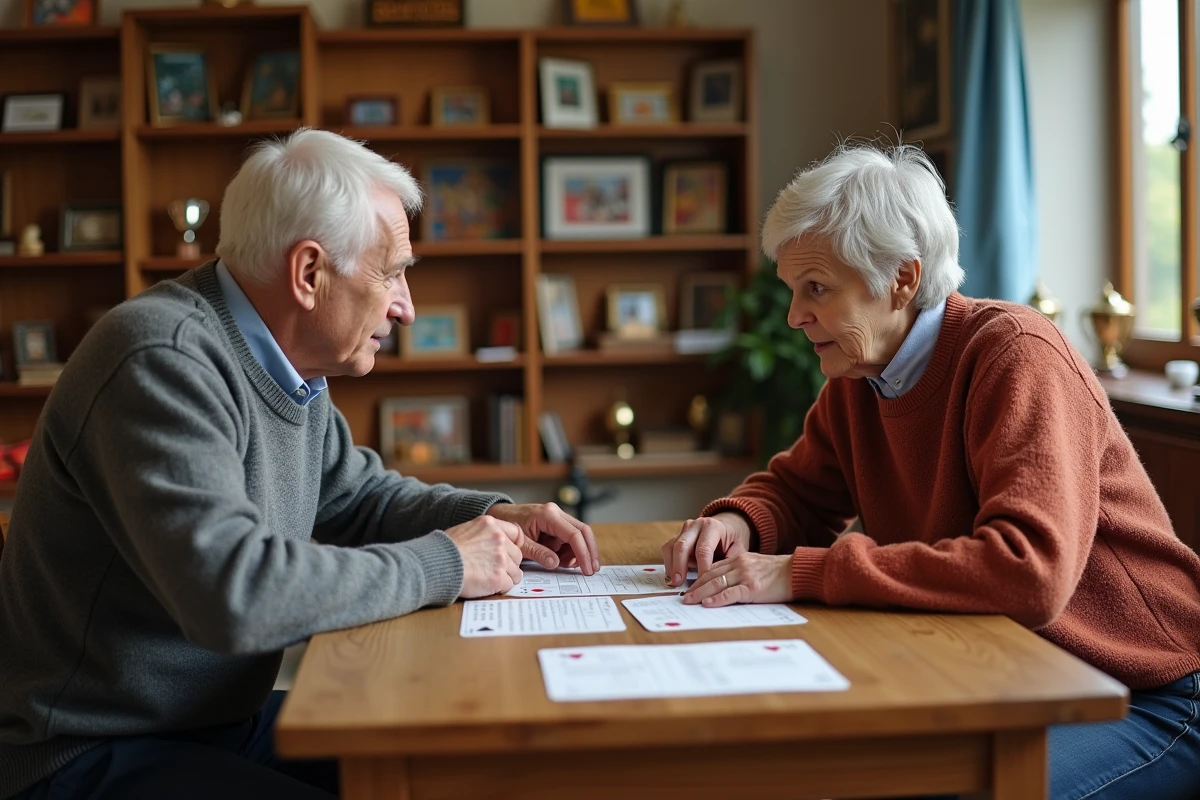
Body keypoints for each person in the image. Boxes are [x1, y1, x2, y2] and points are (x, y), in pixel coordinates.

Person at [0, 128, 601, 800]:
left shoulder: (290, 368)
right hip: (86, 749)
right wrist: (449, 562)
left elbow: (360, 500)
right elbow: (235, 595)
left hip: (211, 723)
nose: (406, 307)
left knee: (460, 771)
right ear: (309, 273)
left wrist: (496, 517)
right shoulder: (160, 359)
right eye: (391, 272)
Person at [661, 143, 1200, 800]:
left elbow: (1028, 572)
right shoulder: (859, 377)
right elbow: (798, 494)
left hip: (1147, 690)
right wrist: (738, 522)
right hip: (1011, 677)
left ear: (902, 279)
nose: (795, 315)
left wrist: (803, 572)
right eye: (792, 289)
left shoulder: (1015, 354)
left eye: (816, 288)